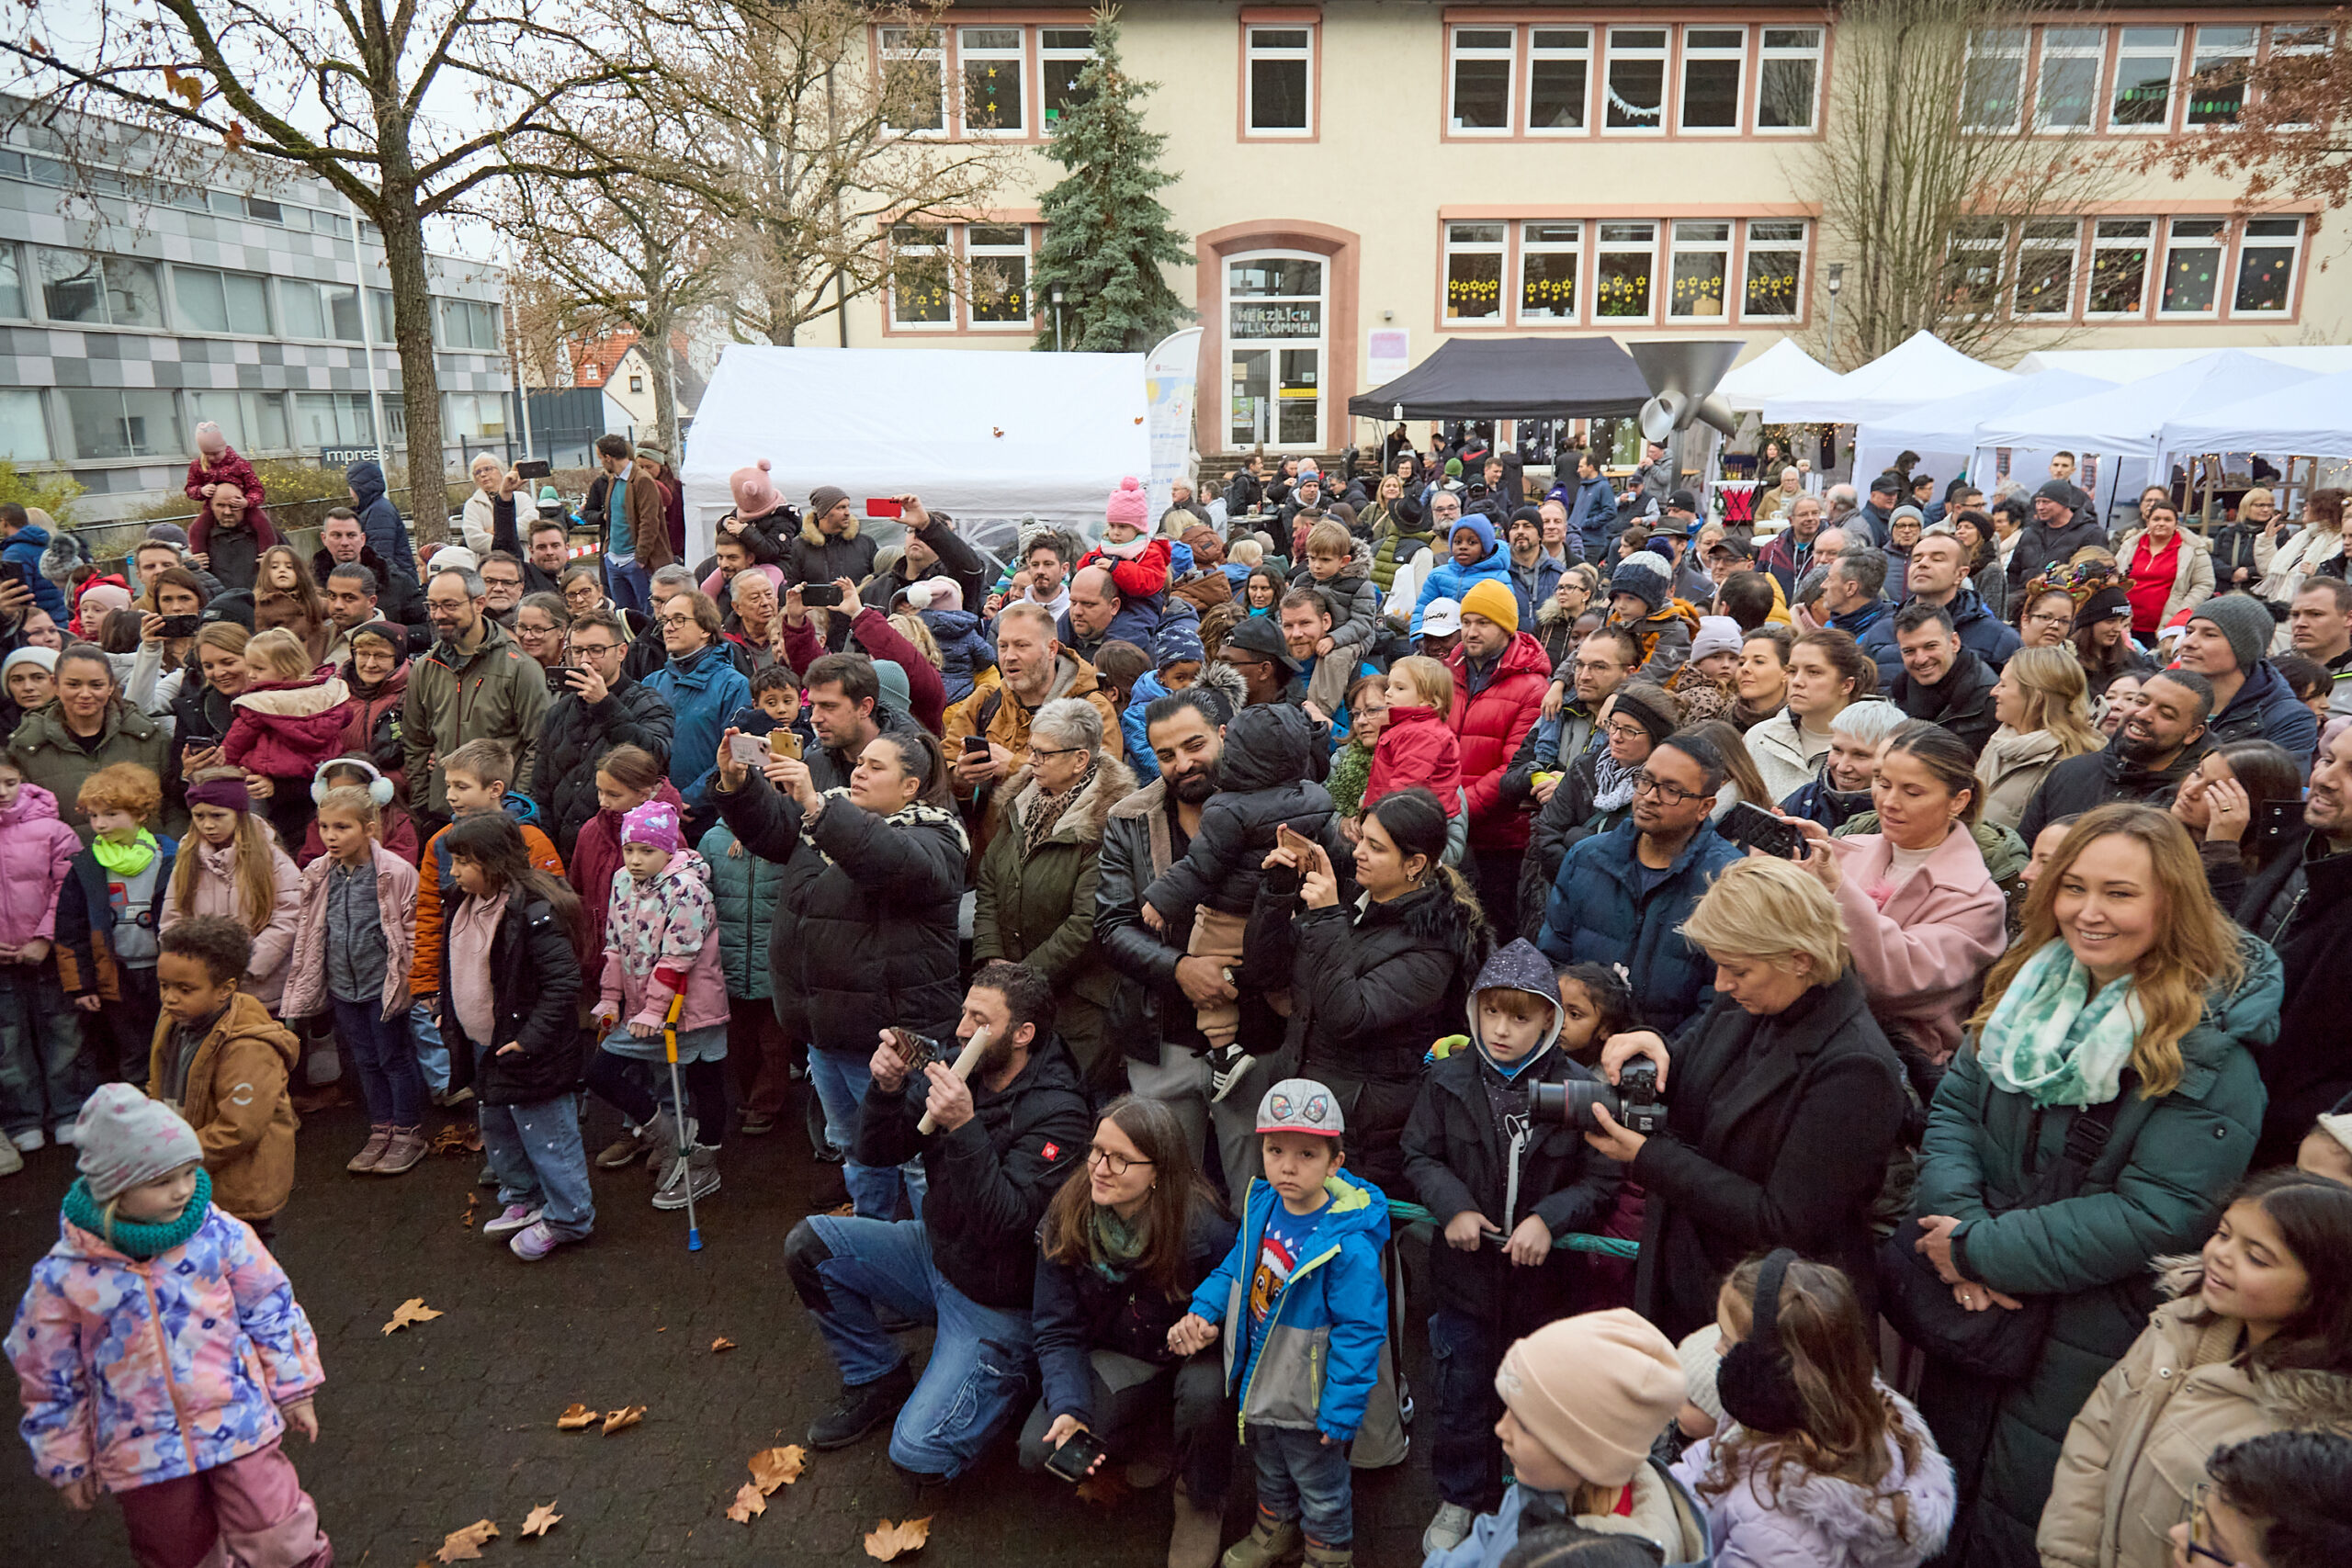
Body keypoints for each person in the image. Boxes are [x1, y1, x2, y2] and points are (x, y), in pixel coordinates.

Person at [1905, 805, 2277, 1568]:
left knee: (2024, 1519)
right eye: (2074, 886)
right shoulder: (2022, 991)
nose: (2089, 911)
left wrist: (1980, 1249)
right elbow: (1952, 1114)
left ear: (2171, 903)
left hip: (2091, 1332)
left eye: (2119, 892)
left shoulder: (2211, 1051)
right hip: (1973, 1304)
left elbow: (2160, 1211)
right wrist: (1958, 1236)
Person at [785, 963, 1092, 1478]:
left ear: (1023, 1035)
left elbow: (1008, 1223)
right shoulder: (959, 1062)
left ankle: (1011, 1375)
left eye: (980, 1019)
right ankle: (876, 1376)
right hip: (937, 1254)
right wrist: (884, 1090)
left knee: (919, 1455)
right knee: (810, 1246)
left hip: (997, 1298)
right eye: (964, 1012)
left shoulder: (1061, 1112)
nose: (961, 1029)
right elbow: (876, 1152)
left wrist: (965, 1125)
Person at [1580, 855, 1907, 1340]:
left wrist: (1649, 1157)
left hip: (1769, 1324)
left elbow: (1784, 1222)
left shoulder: (1856, 1068)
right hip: (1688, 1280)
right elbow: (1692, 1077)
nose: (1721, 985)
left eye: (1737, 969)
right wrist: (1653, 1049)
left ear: (1801, 959)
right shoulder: (1753, 998)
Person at [5, 1083, 329, 1568]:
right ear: (113, 1190)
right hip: (143, 1452)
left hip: (236, 1419)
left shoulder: (217, 1234)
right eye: (161, 1182)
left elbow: (271, 1307)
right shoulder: (64, 1275)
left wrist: (295, 1386)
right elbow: (47, 1375)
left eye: (187, 1172)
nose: (183, 1189)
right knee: (177, 1551)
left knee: (278, 1528)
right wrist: (66, 1457)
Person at [1404, 938, 1622, 1554]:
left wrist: (1549, 1219)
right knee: (1461, 1391)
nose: (1501, 1029)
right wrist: (1454, 1205)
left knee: (1542, 1394)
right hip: (1464, 1281)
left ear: (1549, 1020)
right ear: (1473, 1011)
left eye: (1520, 1016)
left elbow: (1602, 1177)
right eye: (1491, 1012)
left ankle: (1537, 1497)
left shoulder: (1580, 1088)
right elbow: (1419, 1153)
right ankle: (1461, 1494)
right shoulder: (1446, 1079)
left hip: (1547, 1288)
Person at [715, 705, 964, 1217]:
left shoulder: (936, 836)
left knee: (915, 1158)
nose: (858, 772)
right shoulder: (825, 820)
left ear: (912, 787)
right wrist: (737, 783)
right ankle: (873, 1230)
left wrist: (815, 803)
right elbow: (769, 830)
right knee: (854, 1146)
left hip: (892, 1038)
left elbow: (891, 861)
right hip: (827, 1032)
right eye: (860, 764)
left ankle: (925, 1255)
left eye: (876, 768)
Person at [2040, 1168, 2352, 1568]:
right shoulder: (2179, 1323)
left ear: (2324, 1291)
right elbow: (2095, 1440)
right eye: (2223, 1234)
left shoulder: (2315, 1436)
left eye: (2256, 1257)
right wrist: (2066, 1557)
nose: (2220, 1255)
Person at [1169, 1079, 1390, 1568]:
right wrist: (1206, 1308)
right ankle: (1275, 1531)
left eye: (1307, 1154)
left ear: (1337, 1162)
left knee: (1321, 1484)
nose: (1287, 1166)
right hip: (1261, 1378)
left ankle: (1328, 1556)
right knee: (1269, 1467)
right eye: (1275, 1150)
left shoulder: (1347, 1244)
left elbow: (1360, 1333)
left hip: (1310, 1395)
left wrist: (1341, 1409)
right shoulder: (1264, 1204)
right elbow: (1236, 1266)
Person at [1021, 1096, 1238, 1568]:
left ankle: (1201, 1497)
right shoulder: (1070, 1212)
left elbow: (1248, 1308)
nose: (1100, 1167)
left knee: (1205, 1395)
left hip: (1190, 1355)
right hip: (1123, 1353)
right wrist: (1070, 1409)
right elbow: (1056, 1329)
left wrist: (1210, 1325)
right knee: (1037, 1449)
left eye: (1120, 1159)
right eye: (1097, 1151)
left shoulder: (1204, 1226)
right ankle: (1151, 1434)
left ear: (1158, 1171)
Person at [1671, 1254, 1955, 1568]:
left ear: (1770, 1371)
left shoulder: (1776, 1527)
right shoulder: (1837, 1413)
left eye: (1726, 1339)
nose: (1716, 1349)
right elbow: (1718, 1456)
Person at [1281, 787, 1487, 1196]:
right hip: (1308, 1105)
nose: (1358, 852)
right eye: (1361, 838)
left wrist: (1324, 917)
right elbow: (1264, 968)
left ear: (1415, 865)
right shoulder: (1356, 904)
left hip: (1365, 1138)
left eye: (1376, 847)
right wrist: (1275, 891)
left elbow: (1347, 1016)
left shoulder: (1434, 946)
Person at [1788, 722, 2009, 1086]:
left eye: (1913, 792)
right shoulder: (1848, 850)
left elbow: (1893, 980)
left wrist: (1837, 889)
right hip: (1807, 1035)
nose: (1889, 802)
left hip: (1897, 1068)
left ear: (1959, 801)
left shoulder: (1978, 899)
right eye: (1883, 783)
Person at [1427, 1310, 1707, 1567]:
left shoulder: (1589, 1559)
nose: (1500, 1429)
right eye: (1507, 1411)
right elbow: (1494, 1533)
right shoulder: (1545, 1481)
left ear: (1582, 1453)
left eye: (1524, 1426)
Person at [436, 811, 594, 1261]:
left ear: (493, 861)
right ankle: (522, 1197)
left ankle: (570, 1216)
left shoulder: (533, 914)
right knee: (500, 1126)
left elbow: (563, 984)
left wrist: (530, 1039)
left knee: (548, 1134)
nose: (454, 872)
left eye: (463, 862)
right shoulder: (461, 903)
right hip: (486, 1045)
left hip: (529, 1049)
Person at [1140, 702, 1333, 1051]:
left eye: (1195, 746)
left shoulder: (1227, 809)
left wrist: (1161, 900)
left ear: (1224, 737)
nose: (1183, 764)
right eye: (1166, 754)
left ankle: (1223, 1050)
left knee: (1212, 985)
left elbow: (1201, 866)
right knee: (1279, 974)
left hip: (1226, 918)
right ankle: (1285, 1002)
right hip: (1284, 915)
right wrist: (1317, 735)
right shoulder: (1314, 796)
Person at [973, 698, 1137, 1096]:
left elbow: (1088, 922)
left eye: (1043, 753)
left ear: (1080, 759)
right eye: (1031, 750)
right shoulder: (1018, 803)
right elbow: (989, 885)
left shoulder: (1108, 820)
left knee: (1066, 1104)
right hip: (1014, 993)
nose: (1031, 762)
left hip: (1079, 1002)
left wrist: (1022, 981)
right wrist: (993, 960)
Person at [2215, 724, 2352, 1166]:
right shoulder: (2292, 842)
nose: (2326, 778)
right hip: (2213, 1103)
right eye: (2329, 759)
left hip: (2280, 1144)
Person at [586, 799, 729, 1213]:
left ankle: (704, 1160)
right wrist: (610, 999)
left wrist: (653, 1010)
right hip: (641, 1009)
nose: (634, 859)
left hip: (692, 1007)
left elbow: (678, 956)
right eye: (629, 849)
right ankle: (671, 1135)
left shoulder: (689, 889)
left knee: (705, 1083)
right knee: (601, 1070)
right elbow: (613, 945)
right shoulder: (621, 882)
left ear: (668, 849)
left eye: (646, 851)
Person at [410, 739, 567, 1107]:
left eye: (461, 786)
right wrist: (425, 982)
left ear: (495, 789)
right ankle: (497, 1137)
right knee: (483, 1068)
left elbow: (558, 908)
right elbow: (430, 914)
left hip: (522, 987)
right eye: (447, 785)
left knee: (527, 1069)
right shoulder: (439, 844)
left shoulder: (532, 840)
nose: (450, 796)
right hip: (468, 985)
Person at [278, 784, 423, 1176]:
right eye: (324, 827)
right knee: (364, 1060)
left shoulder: (395, 872)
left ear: (369, 827)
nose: (330, 836)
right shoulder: (319, 873)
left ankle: (408, 1129)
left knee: (394, 1057)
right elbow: (310, 927)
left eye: (342, 827)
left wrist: (411, 980)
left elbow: (410, 930)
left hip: (384, 985)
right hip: (344, 987)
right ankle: (381, 1129)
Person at [145, 917, 302, 1233]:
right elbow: (159, 1084)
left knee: (249, 1277)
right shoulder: (174, 1021)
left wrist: (171, 1161)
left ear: (225, 989)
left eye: (185, 989)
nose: (170, 998)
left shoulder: (249, 1047)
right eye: (164, 986)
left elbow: (238, 1128)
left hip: (240, 1196)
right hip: (193, 1181)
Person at [945, 602, 1125, 851]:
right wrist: (962, 778)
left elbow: (1101, 788)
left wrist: (1013, 767)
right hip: (987, 859)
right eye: (1003, 646)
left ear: (1052, 649)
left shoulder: (1092, 708)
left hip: (1056, 860)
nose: (1009, 656)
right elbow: (943, 772)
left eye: (1022, 645)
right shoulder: (985, 700)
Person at [405, 566, 551, 822]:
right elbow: (415, 742)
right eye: (432, 605)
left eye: (450, 605)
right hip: (441, 812)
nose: (439, 615)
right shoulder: (425, 667)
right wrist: (422, 803)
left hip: (499, 815)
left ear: (479, 604)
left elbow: (538, 744)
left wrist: (515, 804)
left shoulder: (519, 667)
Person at [157, 773, 300, 1015]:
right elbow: (173, 919)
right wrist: (195, 970)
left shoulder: (272, 859)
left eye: (217, 815)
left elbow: (289, 917)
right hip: (202, 990)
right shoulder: (186, 859)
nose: (208, 825)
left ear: (239, 813)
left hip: (259, 991)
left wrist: (245, 964)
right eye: (199, 816)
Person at [2018, 670, 2214, 846]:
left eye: (2166, 714)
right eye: (2140, 702)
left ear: (2193, 733)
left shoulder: (2189, 801)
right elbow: (2025, 849)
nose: (2143, 714)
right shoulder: (2071, 771)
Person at [0, 755, 85, 1156]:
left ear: (23, 782)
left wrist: (45, 938)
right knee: (7, 1039)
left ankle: (69, 1111)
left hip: (47, 953)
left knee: (62, 1031)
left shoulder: (54, 830)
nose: (2, 792)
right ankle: (22, 1118)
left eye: (9, 781)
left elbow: (67, 887)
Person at [8, 643, 174, 843]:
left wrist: (168, 850)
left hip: (148, 860)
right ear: (55, 685)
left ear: (111, 686)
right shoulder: (26, 747)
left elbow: (173, 805)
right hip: (68, 865)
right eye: (74, 685)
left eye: (96, 685)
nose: (85, 694)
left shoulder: (148, 737)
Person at [219, 627, 352, 851]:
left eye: (259, 669)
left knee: (257, 837)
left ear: (286, 671)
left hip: (266, 780)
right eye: (249, 667)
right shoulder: (326, 694)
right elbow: (347, 718)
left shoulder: (259, 704)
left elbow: (233, 744)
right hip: (316, 776)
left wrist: (223, 769)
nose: (250, 675)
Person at [639, 589, 752, 837]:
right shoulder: (651, 682)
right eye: (665, 621)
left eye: (679, 619)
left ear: (705, 628)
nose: (669, 628)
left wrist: (688, 798)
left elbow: (736, 751)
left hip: (705, 817)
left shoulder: (733, 684)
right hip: (651, 814)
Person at [2181, 596, 2321, 775]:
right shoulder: (2163, 693)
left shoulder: (2289, 719)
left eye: (2210, 635)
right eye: (2189, 632)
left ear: (2246, 647)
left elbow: (2278, 793)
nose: (2188, 643)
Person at [1745, 626, 1875, 813]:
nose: (1797, 681)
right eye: (1792, 671)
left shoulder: (1877, 742)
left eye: (1813, 672)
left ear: (1846, 685)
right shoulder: (1758, 737)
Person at [1975, 647, 2103, 833]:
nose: (1993, 692)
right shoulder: (2000, 740)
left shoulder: (2071, 763)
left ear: (2035, 698)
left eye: (2003, 685)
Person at [2172, 739, 2306, 894]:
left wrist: (2221, 848)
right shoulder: (2158, 812)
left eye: (2214, 788)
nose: (2190, 791)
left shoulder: (2264, 877)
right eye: (2197, 774)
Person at [1886, 604, 1998, 760]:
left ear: (1954, 642)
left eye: (1930, 646)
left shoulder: (1990, 699)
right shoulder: (1897, 695)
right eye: (1909, 651)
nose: (1921, 659)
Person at [1364, 656, 1463, 818]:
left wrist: (1378, 820)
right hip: (1392, 815)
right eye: (1389, 686)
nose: (1388, 693)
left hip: (1407, 822)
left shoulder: (1422, 734)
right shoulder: (1409, 728)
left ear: (1427, 698)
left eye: (1400, 688)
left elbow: (1406, 787)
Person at [592, 434, 673, 616]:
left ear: (608, 458)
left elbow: (649, 521)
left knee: (647, 613)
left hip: (635, 561)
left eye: (600, 458)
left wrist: (640, 558)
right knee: (623, 615)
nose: (601, 463)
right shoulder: (614, 479)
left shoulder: (642, 480)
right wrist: (608, 553)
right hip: (614, 559)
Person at [2116, 500, 2215, 641]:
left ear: (2176, 524)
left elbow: (2204, 584)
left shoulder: (2194, 549)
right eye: (2156, 519)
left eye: (2167, 519)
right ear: (2148, 523)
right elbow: (2115, 578)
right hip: (2126, 625)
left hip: (2166, 627)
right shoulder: (2129, 546)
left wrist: (2181, 611)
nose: (2161, 523)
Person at [2007, 479, 2107, 602]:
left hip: (2066, 602)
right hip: (2023, 601)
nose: (2040, 507)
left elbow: (2095, 572)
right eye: (2037, 502)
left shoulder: (2091, 533)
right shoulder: (2030, 532)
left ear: (2064, 503)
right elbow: (2013, 571)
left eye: (2046, 502)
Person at [2256, 488, 2345, 606]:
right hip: (2279, 609)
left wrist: (2316, 573)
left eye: (2310, 505)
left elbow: (2337, 584)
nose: (2304, 508)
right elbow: (2267, 571)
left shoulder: (2339, 542)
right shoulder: (2302, 537)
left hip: (2305, 611)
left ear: (2324, 511)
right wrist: (2267, 540)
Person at [786, 485, 883, 591]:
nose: (847, 513)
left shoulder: (866, 544)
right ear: (824, 513)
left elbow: (879, 582)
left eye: (847, 507)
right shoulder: (799, 547)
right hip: (815, 606)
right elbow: (791, 585)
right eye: (840, 508)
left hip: (858, 606)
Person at [186, 487, 277, 596]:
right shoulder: (200, 541)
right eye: (220, 505)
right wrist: (191, 570)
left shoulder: (269, 536)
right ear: (211, 506)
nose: (227, 512)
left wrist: (277, 564)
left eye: (234, 506)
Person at [2286, 580, 2352, 716]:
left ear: (2349, 618)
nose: (2300, 623)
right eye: (2295, 615)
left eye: (2315, 614)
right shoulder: (2272, 673)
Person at [510, 591, 569, 673]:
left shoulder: (576, 663)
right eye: (522, 627)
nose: (527, 636)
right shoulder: (508, 664)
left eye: (538, 629)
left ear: (561, 630)